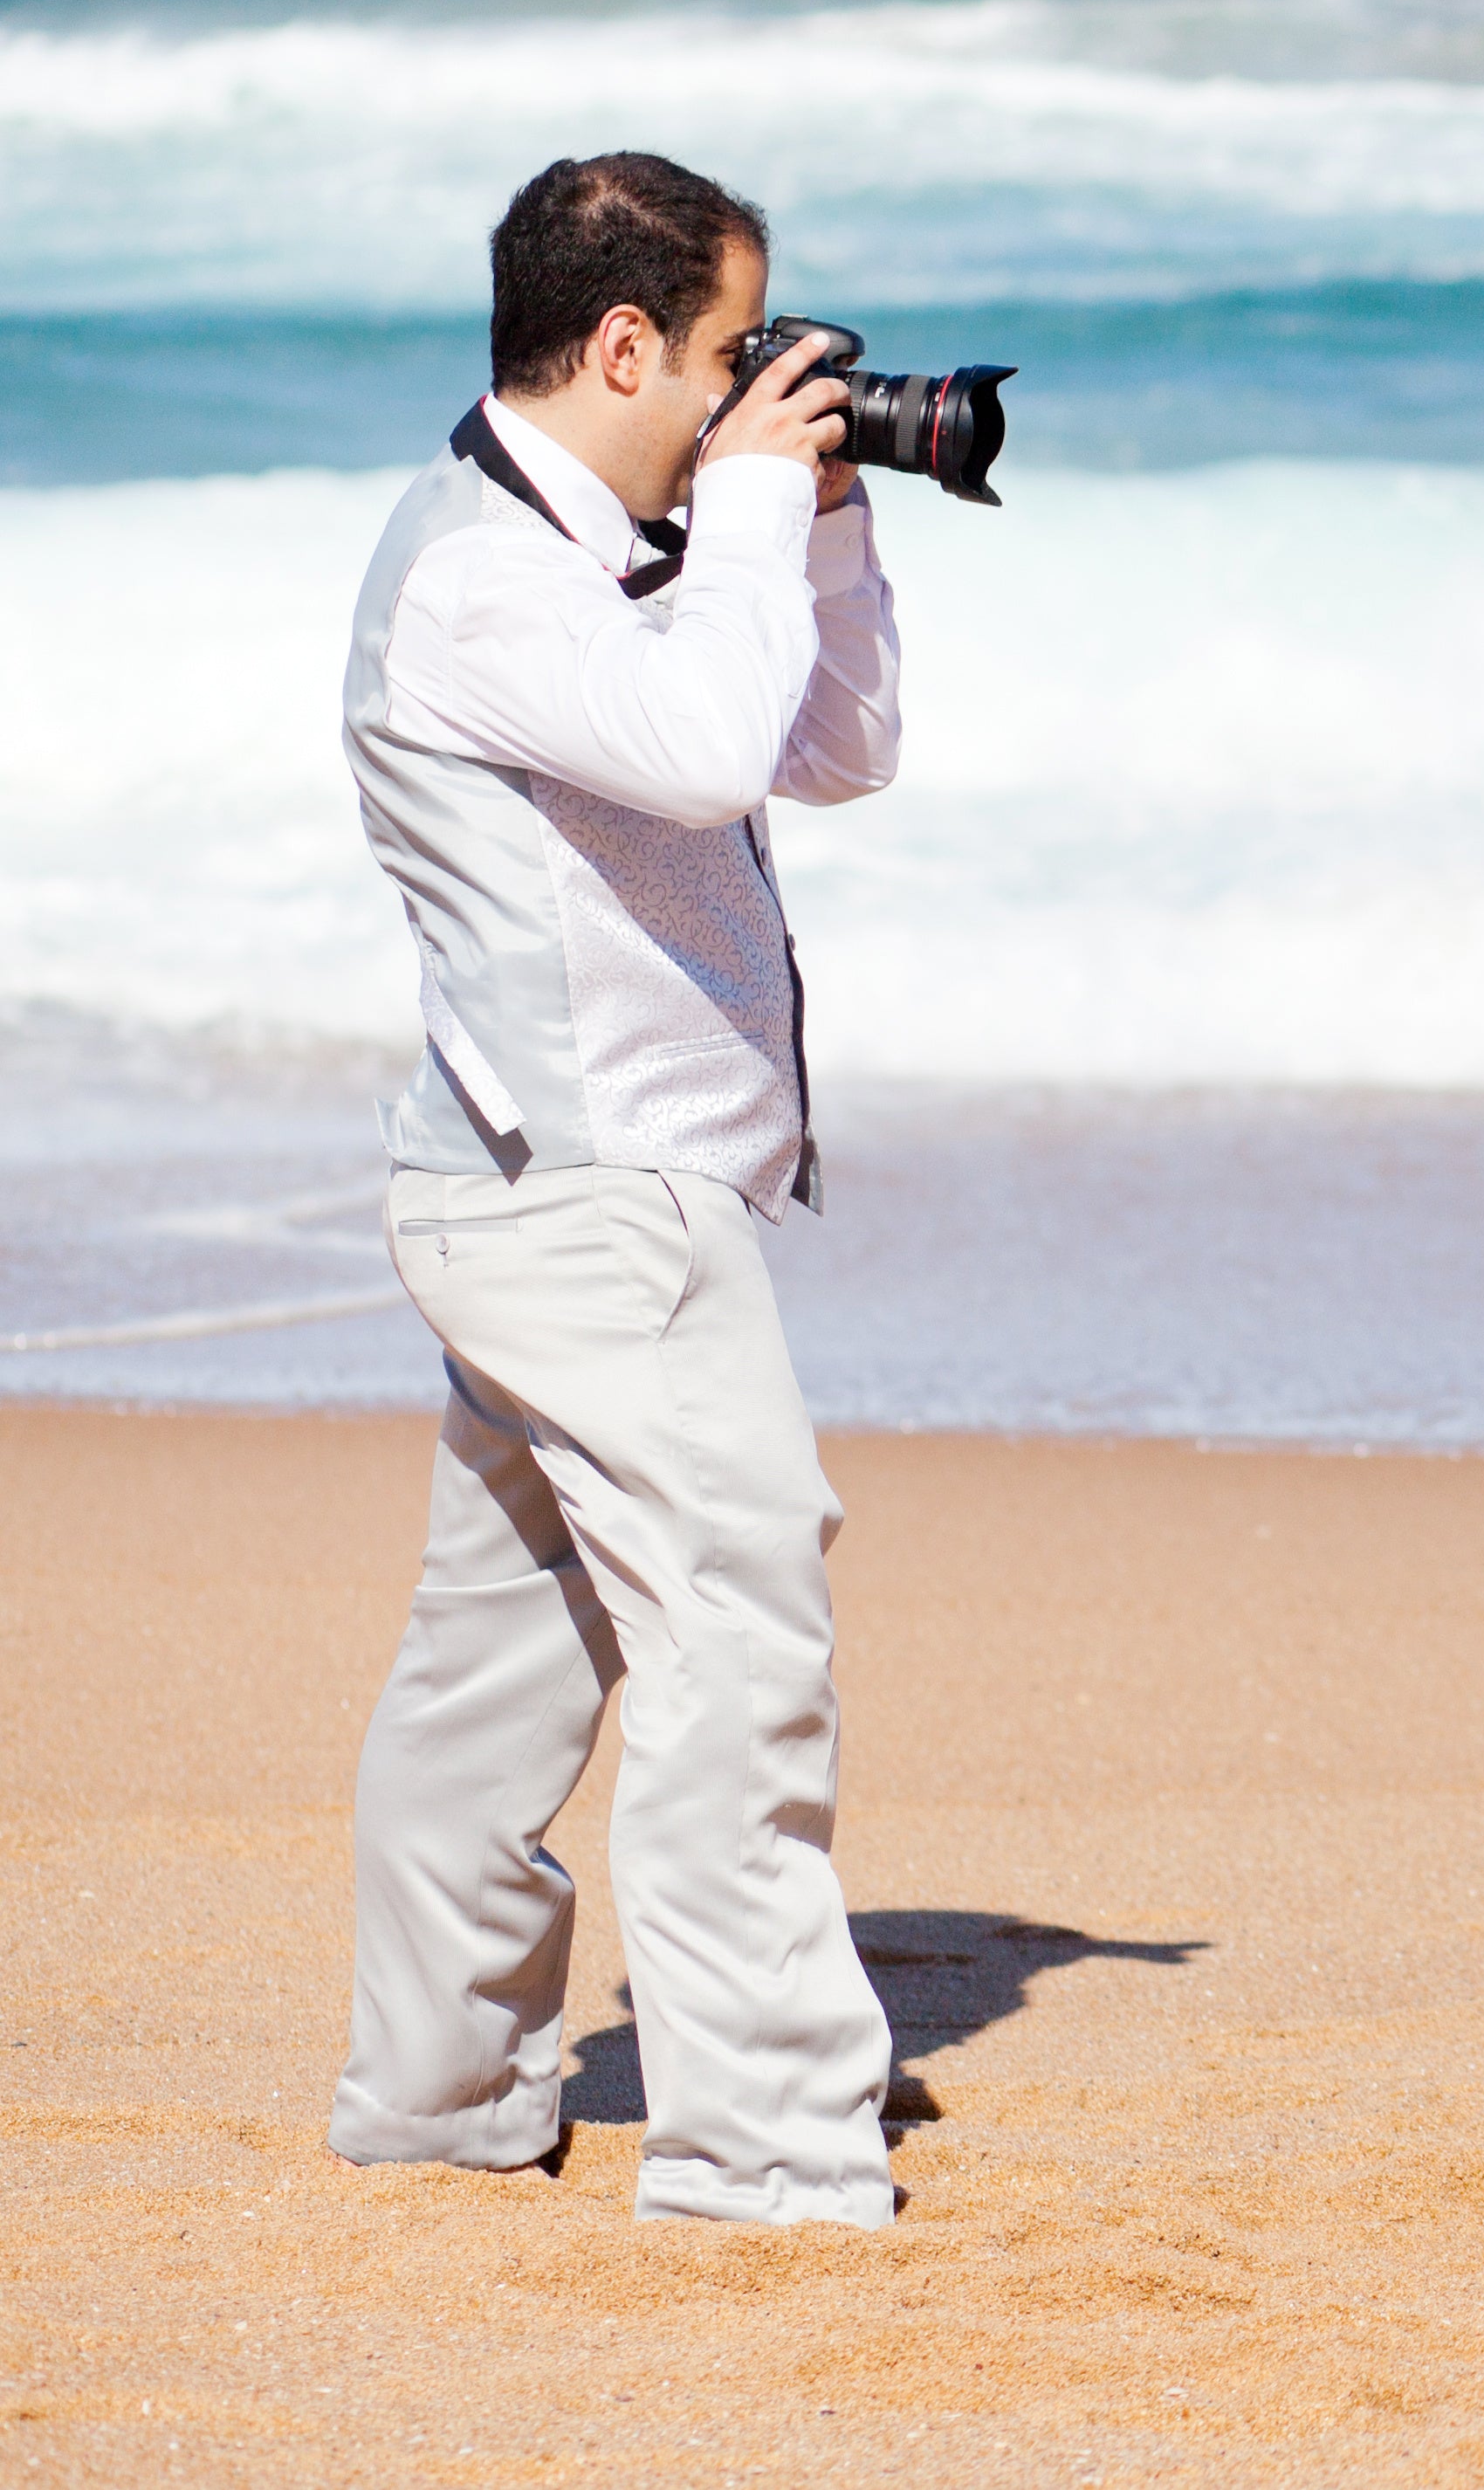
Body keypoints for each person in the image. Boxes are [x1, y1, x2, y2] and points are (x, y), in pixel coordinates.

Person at [329, 152, 904, 2225]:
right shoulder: (486, 573)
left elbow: (827, 748)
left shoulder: (620, 538)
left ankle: (443, 2085)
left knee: (502, 1655)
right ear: (629, 342)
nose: (764, 389)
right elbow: (695, 745)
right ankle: (761, 2144)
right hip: (589, 1201)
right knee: (740, 1623)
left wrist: (814, 519)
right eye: (739, 351)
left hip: (559, 1192)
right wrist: (752, 510)